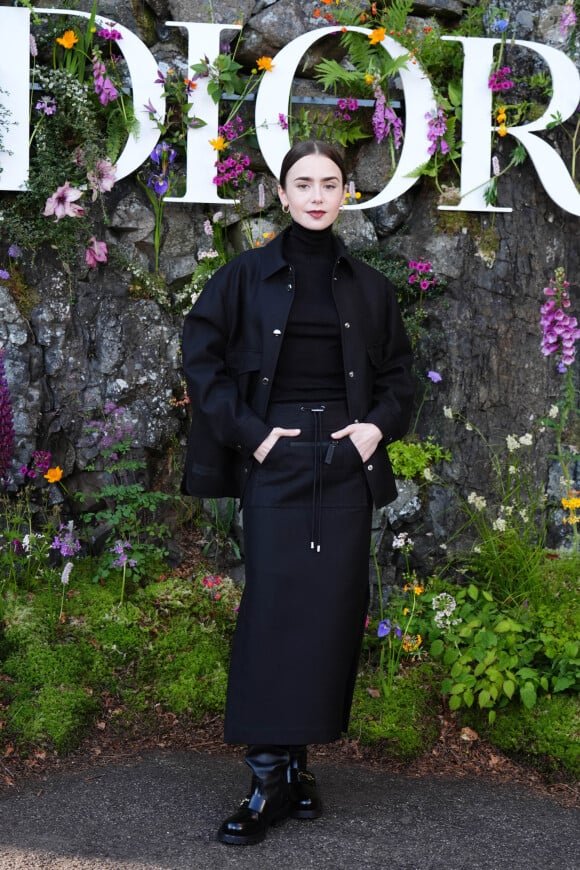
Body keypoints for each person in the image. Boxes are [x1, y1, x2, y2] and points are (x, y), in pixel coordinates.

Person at [181, 139, 415, 846]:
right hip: (274, 460)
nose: (317, 195)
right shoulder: (243, 277)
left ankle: (298, 768)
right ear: (280, 194)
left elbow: (401, 377)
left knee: (331, 612)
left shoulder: (371, 286)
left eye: (331, 183)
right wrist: (253, 435)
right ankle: (265, 776)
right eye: (303, 183)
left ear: (347, 194)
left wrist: (374, 431)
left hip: (345, 459)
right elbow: (202, 362)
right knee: (276, 611)